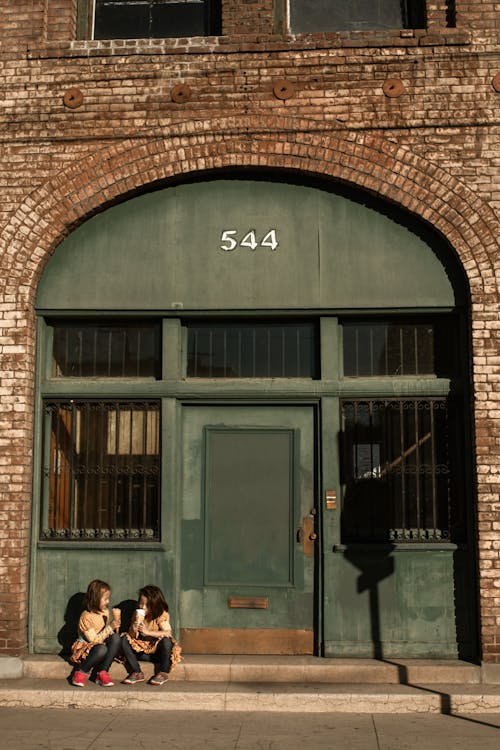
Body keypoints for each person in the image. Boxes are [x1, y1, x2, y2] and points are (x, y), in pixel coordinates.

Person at [121, 584, 182, 686]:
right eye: (141, 603)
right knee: (123, 639)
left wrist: (148, 632)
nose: (142, 607)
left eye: (146, 605)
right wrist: (135, 626)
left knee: (166, 641)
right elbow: (132, 637)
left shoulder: (160, 615)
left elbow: (168, 632)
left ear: (155, 605)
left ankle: (163, 672)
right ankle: (137, 672)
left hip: (158, 652)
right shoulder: (137, 614)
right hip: (143, 652)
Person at [70, 579, 121, 687]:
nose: (108, 602)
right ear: (95, 598)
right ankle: (81, 671)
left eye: (108, 598)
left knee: (116, 638)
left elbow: (105, 633)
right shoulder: (86, 617)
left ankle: (102, 672)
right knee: (101, 648)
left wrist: (114, 626)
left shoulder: (105, 612)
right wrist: (110, 627)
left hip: (101, 643)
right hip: (88, 647)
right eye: (105, 599)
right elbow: (93, 641)